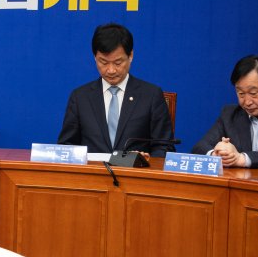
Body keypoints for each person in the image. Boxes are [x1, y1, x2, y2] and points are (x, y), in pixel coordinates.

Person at [58, 23, 174, 157]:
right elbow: (66, 146)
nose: (111, 70)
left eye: (118, 63)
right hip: (93, 170)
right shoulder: (80, 97)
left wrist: (147, 161)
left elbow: (164, 147)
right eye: (103, 62)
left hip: (134, 170)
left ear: (130, 56)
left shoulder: (151, 95)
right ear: (95, 57)